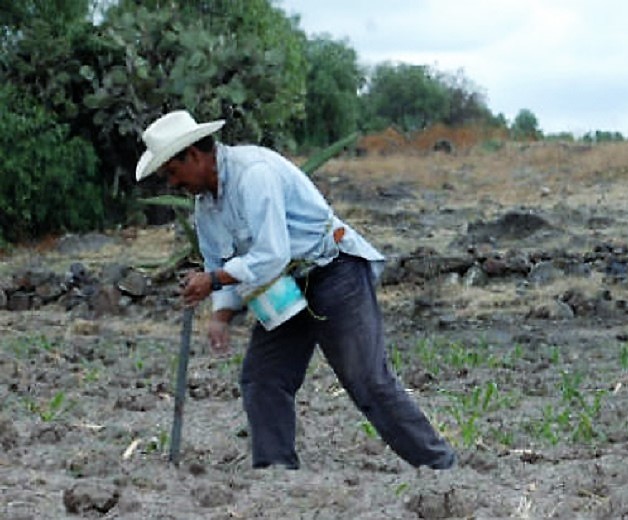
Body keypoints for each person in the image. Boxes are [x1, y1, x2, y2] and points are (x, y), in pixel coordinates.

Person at [135, 110, 456, 470]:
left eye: (172, 172)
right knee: (264, 376)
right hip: (283, 287)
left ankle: (440, 466)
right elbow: (218, 263)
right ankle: (276, 473)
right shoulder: (205, 207)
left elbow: (271, 254)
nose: (171, 183)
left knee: (365, 377)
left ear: (193, 156)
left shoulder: (254, 174)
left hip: (334, 269)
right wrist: (220, 316)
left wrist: (212, 282)